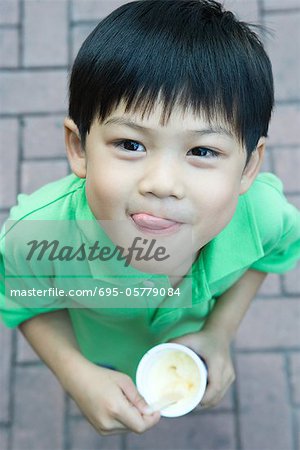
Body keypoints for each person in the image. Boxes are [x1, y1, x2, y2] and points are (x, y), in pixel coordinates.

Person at [0, 0, 299, 437]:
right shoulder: (36, 237)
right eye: (130, 144)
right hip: (99, 349)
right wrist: (75, 372)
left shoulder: (264, 216)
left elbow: (271, 255)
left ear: (249, 168)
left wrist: (219, 332)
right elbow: (24, 299)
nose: (161, 183)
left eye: (202, 151)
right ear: (79, 147)